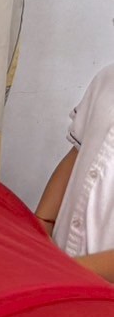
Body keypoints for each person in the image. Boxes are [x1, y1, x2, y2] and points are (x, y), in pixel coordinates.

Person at [34, 63, 114, 282]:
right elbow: (78, 153)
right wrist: (42, 223)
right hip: (60, 260)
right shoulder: (108, 78)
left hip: (98, 286)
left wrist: (63, 270)